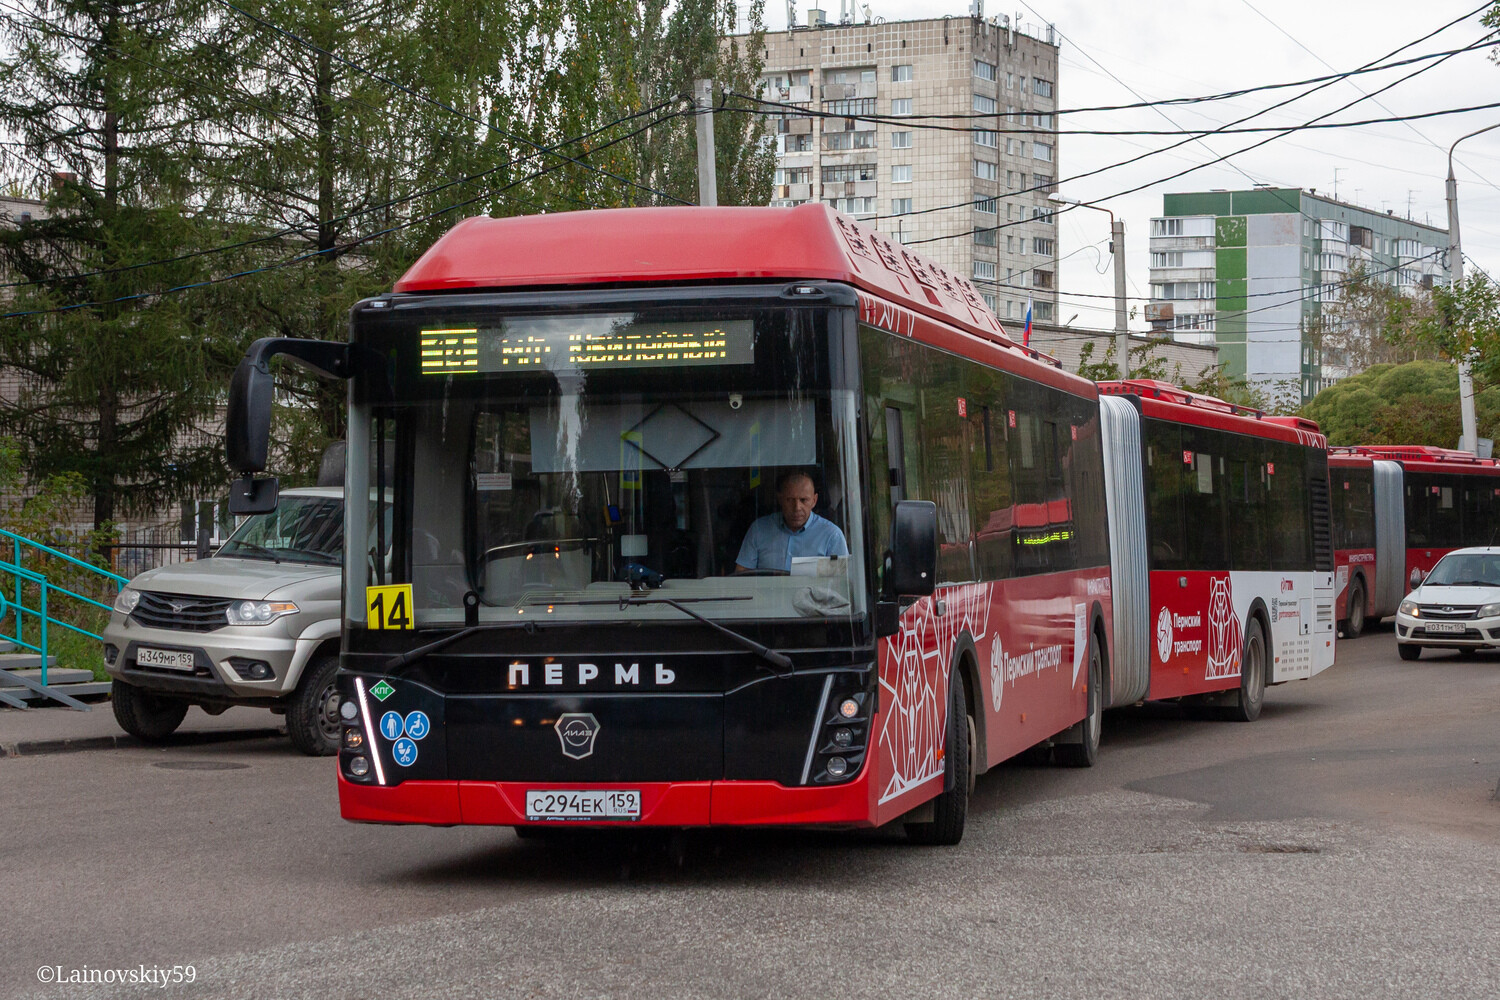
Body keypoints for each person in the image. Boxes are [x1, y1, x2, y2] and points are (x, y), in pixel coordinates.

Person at [735, 470, 848, 573]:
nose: (797, 507)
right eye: (790, 500)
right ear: (780, 499)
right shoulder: (759, 530)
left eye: (803, 500)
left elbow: (841, 583)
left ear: (814, 501)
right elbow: (741, 575)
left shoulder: (832, 536)